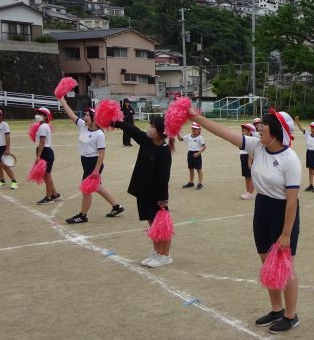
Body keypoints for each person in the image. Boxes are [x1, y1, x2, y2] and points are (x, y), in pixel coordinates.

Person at [187, 107, 302, 332]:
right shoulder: (256, 146)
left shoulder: (290, 159)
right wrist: (195, 116)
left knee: (285, 266)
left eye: (264, 126)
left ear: (276, 131)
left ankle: (291, 315)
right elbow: (223, 132)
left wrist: (286, 234)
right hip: (262, 207)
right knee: (266, 262)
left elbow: (292, 201)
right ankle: (277, 309)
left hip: (283, 212)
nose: (259, 129)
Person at [112, 116, 173, 268]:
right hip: (143, 190)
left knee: (162, 226)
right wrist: (116, 122)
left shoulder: (164, 151)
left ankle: (165, 256)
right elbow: (132, 130)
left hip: (156, 195)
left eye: (152, 126)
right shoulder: (146, 141)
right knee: (152, 224)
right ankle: (157, 252)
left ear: (160, 131)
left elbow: (164, 177)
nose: (149, 128)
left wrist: (163, 199)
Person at [57, 97, 124, 223]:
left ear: (94, 118)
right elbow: (71, 114)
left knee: (86, 190)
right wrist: (62, 100)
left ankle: (82, 216)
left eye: (87, 115)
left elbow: (102, 154)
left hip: (94, 163)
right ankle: (117, 207)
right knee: (97, 187)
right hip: (86, 162)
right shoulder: (83, 126)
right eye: (85, 115)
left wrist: (96, 170)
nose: (84, 117)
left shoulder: (99, 134)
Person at [33, 107, 60, 205]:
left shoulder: (43, 127)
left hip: (45, 152)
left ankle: (49, 197)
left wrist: (38, 156)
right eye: (37, 113)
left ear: (45, 117)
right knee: (47, 175)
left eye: (40, 114)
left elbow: (42, 142)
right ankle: (54, 194)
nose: (38, 115)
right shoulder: (43, 126)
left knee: (46, 175)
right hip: (46, 152)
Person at [294, 117, 314, 192]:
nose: (312, 129)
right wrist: (297, 121)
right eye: (311, 128)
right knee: (310, 171)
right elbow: (301, 128)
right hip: (308, 153)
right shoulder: (307, 134)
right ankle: (311, 185)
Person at [180, 123, 206, 189]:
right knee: (191, 169)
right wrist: (177, 133)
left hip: (197, 154)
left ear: (199, 130)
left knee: (198, 169)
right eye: (193, 128)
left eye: (195, 128)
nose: (193, 129)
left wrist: (198, 153)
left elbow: (204, 147)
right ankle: (191, 183)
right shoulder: (188, 136)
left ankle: (200, 183)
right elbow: (180, 139)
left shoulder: (200, 138)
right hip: (190, 154)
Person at [240, 123, 255, 200]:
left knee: (250, 177)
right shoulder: (244, 139)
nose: (242, 132)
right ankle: (247, 191)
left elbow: (251, 152)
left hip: (248, 158)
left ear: (250, 132)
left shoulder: (250, 140)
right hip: (243, 157)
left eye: (244, 131)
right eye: (242, 131)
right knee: (246, 176)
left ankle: (250, 193)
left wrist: (249, 162)